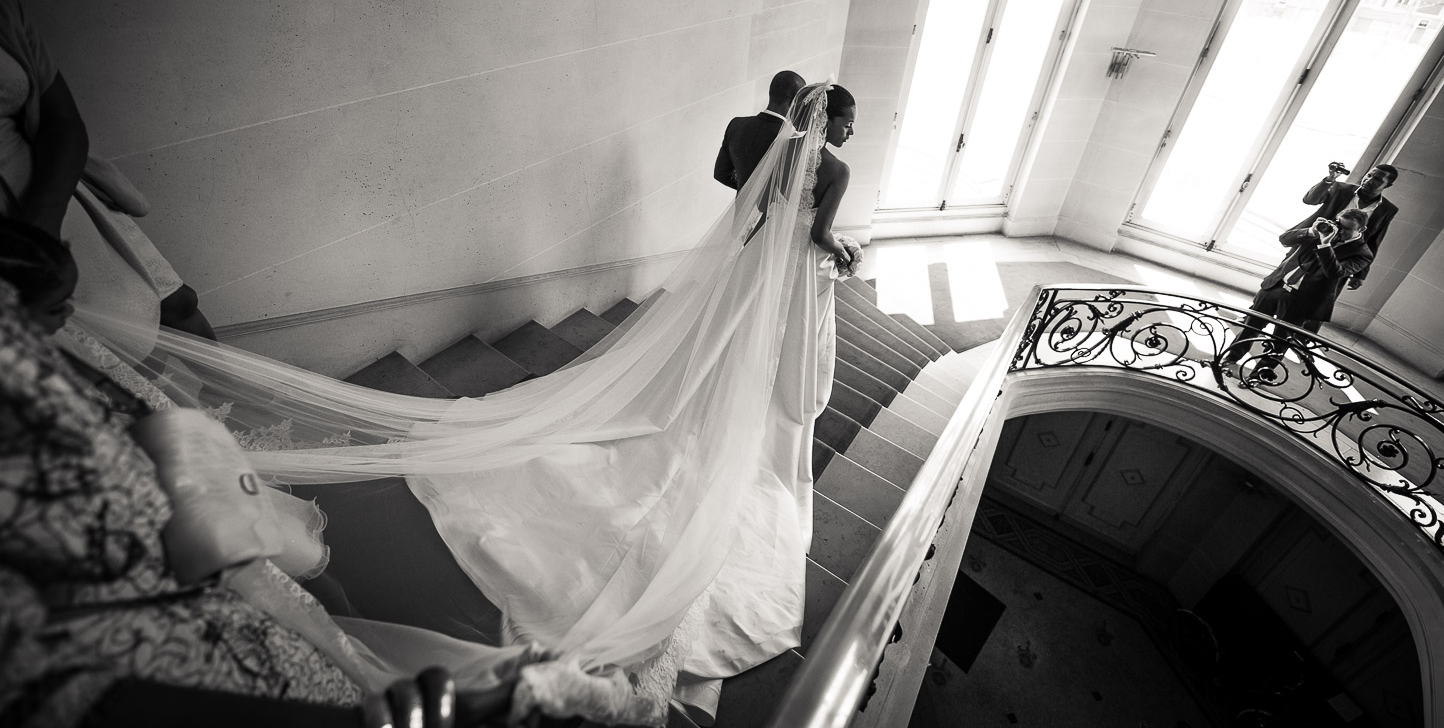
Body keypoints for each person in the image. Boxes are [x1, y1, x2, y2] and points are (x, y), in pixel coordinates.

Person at [71, 82, 860, 726]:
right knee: (749, 370)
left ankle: (686, 413)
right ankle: (720, 427)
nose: (850, 129)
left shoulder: (752, 133)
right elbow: (821, 237)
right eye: (849, 120)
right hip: (784, 274)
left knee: (704, 352)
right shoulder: (833, 170)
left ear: (784, 100)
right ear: (833, 118)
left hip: (740, 258)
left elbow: (732, 186)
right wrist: (845, 248)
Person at [0, 218, 543, 728]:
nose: (70, 315)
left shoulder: (50, 379)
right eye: (53, 307)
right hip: (189, 625)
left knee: (316, 606)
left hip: (207, 564)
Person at [0, 0, 215, 352]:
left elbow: (62, 118)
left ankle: (243, 403)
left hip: (50, 186)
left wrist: (44, 221)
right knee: (79, 353)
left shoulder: (3, 7)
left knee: (174, 303)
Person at [1224, 209, 1373, 376]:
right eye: (1339, 224)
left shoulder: (1362, 254)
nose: (1340, 230)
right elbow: (1284, 239)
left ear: (1361, 230)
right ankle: (1230, 358)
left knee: (1280, 340)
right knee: (1250, 326)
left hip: (1302, 299)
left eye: (1347, 229)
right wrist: (1311, 231)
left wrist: (1325, 244)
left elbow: (1334, 273)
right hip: (1277, 285)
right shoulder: (1324, 229)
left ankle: (1260, 375)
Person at [1295, 162, 1399, 293]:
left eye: (1377, 179)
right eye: (1369, 175)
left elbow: (1373, 242)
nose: (1369, 180)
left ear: (1388, 185)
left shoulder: (1387, 209)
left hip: (1340, 261)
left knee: (1316, 301)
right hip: (1308, 248)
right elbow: (1310, 200)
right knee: (1279, 288)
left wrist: (1360, 274)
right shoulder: (1341, 189)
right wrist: (1330, 179)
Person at [714, 69, 806, 191]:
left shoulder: (736, 124)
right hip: (770, 210)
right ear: (795, 101)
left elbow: (721, 174)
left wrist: (747, 195)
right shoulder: (791, 139)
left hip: (741, 208)